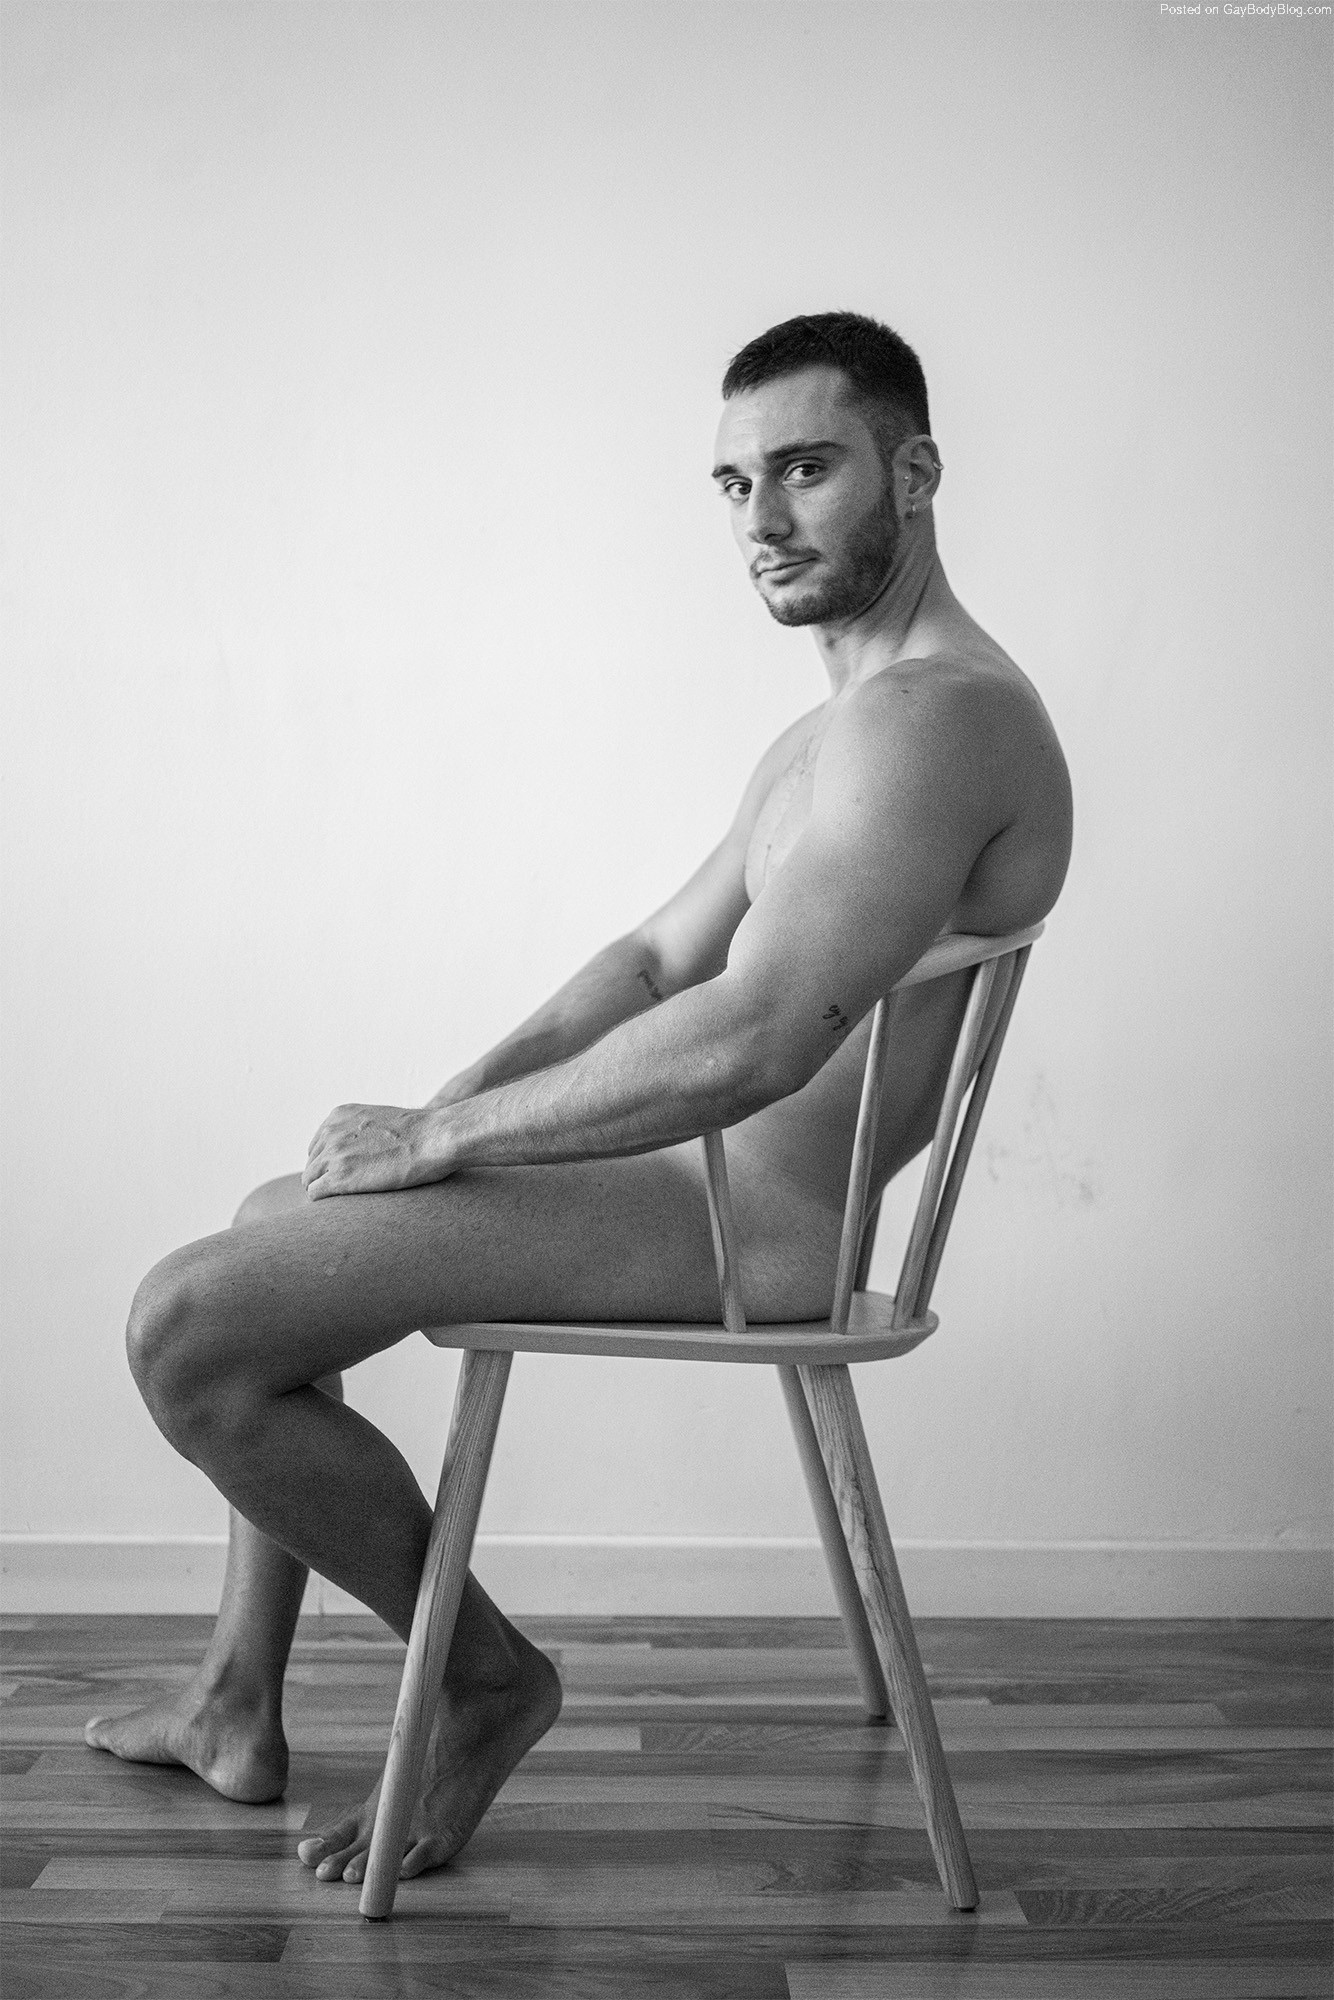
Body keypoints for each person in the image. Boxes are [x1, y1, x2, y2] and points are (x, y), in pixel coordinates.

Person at [85, 311, 1073, 1886]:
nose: (760, 518)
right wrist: (449, 1103)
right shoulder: (833, 729)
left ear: (915, 471)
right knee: (284, 1217)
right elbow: (652, 960)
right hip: (699, 1191)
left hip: (756, 1228)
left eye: (806, 469)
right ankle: (231, 1700)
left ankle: (484, 1684)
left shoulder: (939, 721)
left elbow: (756, 1037)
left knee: (187, 1327)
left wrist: (449, 1142)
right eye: (733, 482)